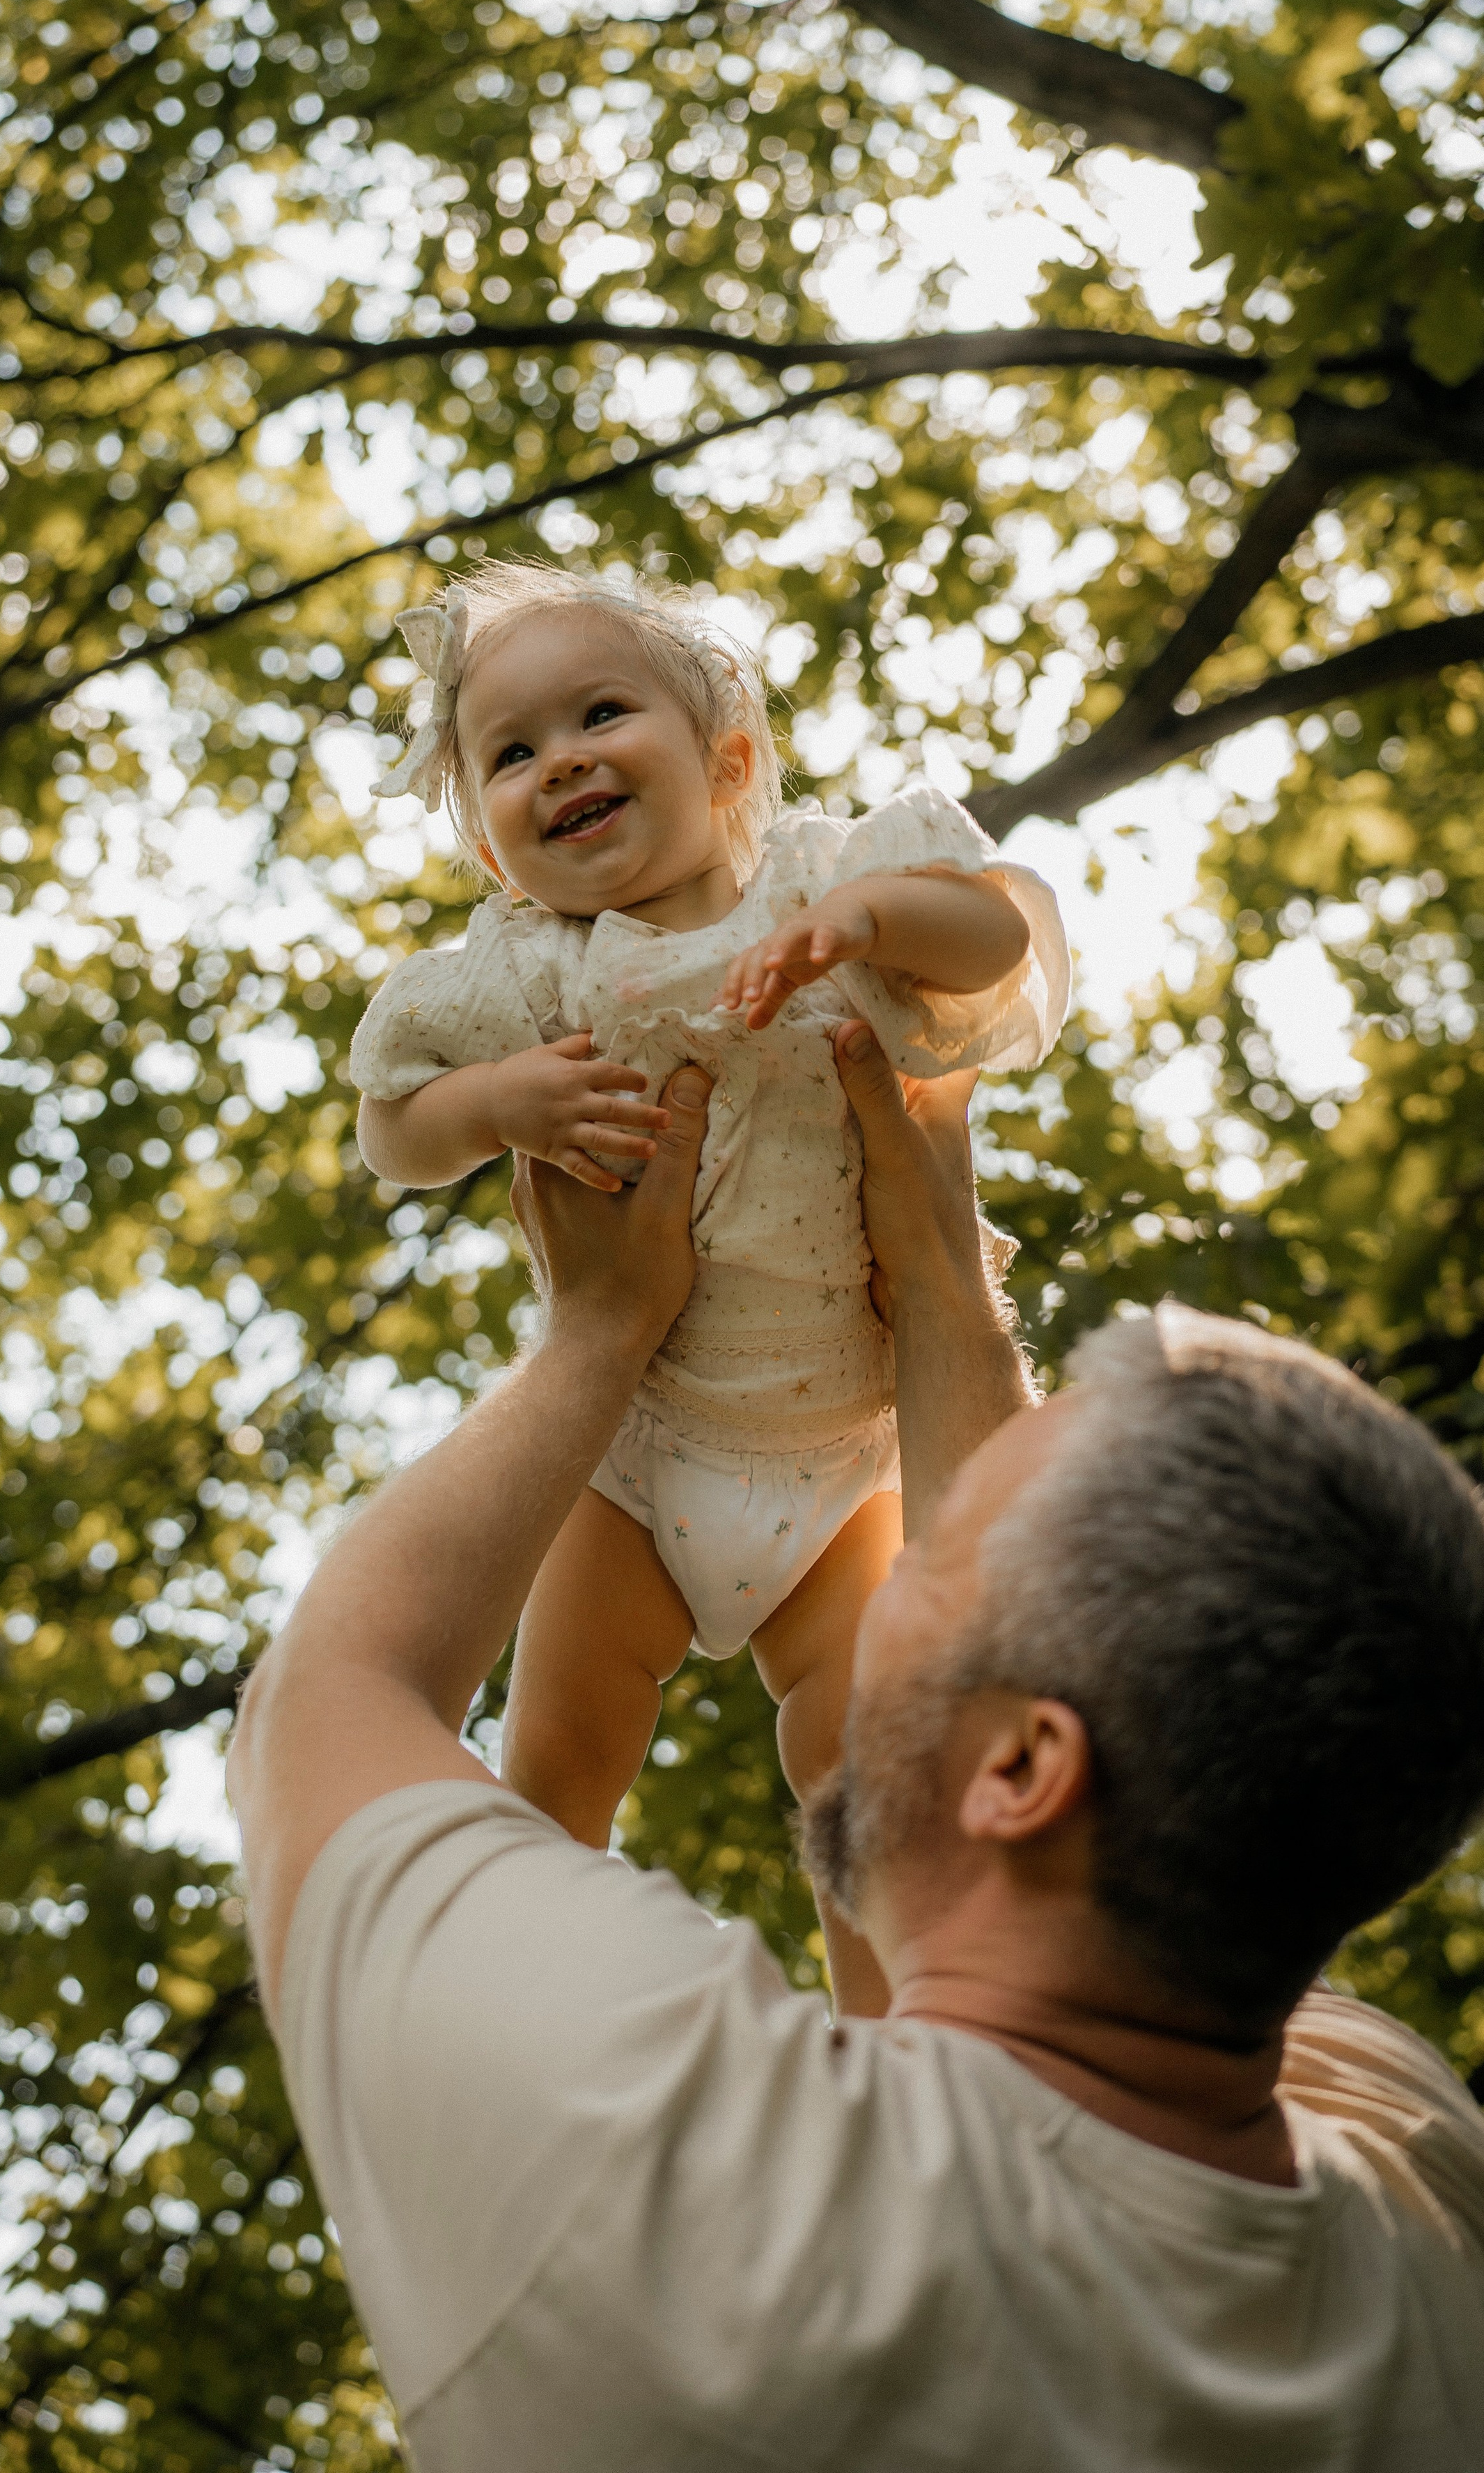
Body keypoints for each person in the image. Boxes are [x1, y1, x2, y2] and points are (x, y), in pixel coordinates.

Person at [228, 1025, 1484, 2471]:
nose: (883, 1578)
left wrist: (596, 1329)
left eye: (930, 1565)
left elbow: (332, 1692)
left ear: (1021, 1772)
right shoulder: (1420, 2207)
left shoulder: (680, 2187)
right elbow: (1227, 1771)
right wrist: (944, 1286)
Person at [349, 557, 1068, 2008]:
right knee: (556, 1744)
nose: (559, 761)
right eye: (510, 753)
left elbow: (1000, 939)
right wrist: (497, 1104)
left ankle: (888, 2036)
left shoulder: (825, 879)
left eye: (597, 714)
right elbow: (389, 1123)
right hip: (634, 1446)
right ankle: (518, 2012)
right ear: (495, 853)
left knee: (866, 1759)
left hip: (838, 1456)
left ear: (725, 756)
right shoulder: (528, 977)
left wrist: (870, 925)